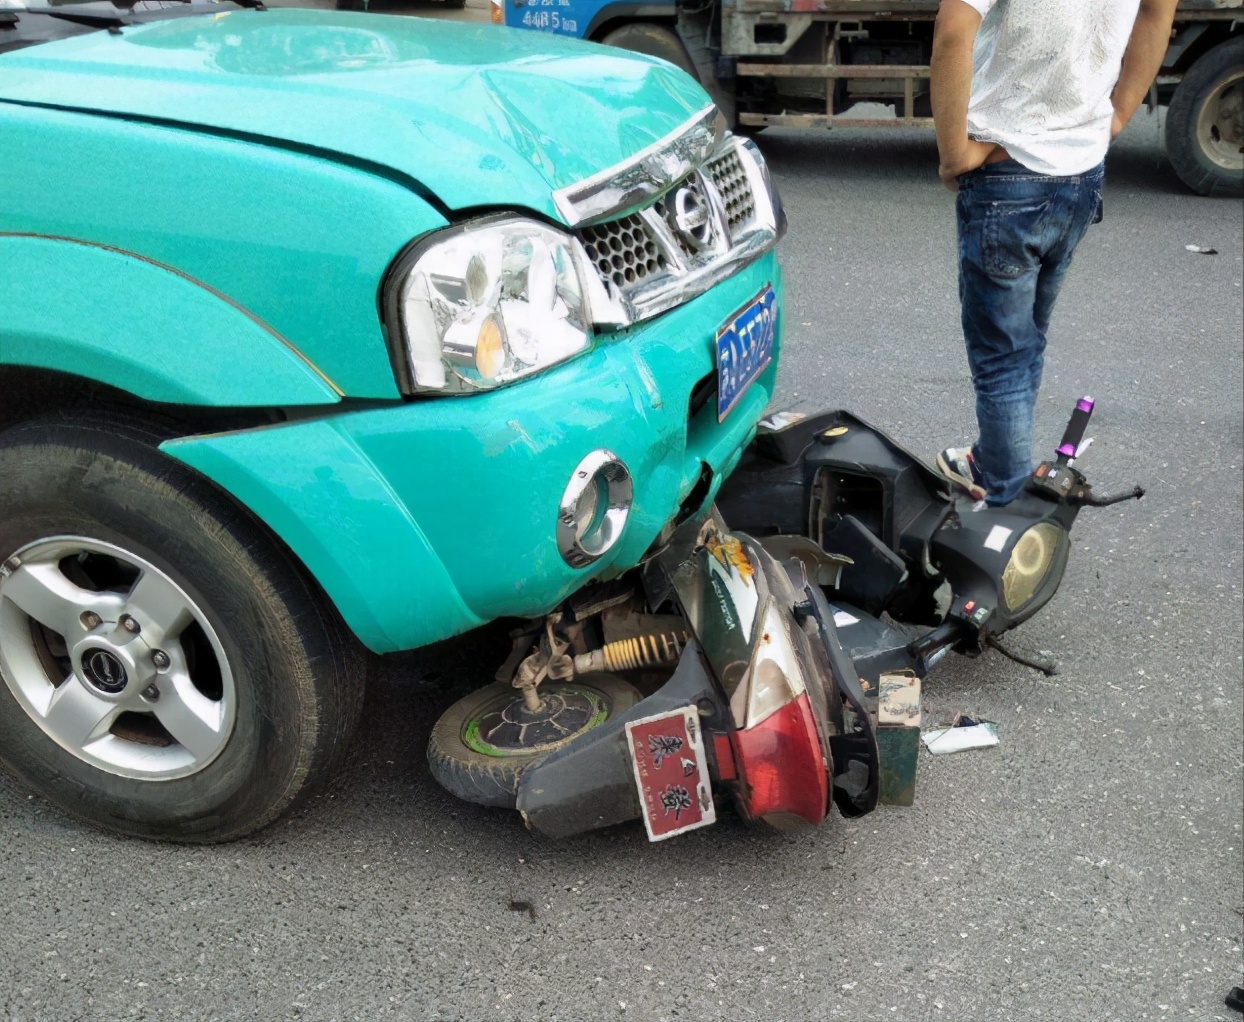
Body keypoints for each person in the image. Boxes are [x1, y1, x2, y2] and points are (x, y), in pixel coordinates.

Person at [929, 0, 1179, 505]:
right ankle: (994, 459)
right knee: (1025, 340)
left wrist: (954, 153)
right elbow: (1157, 10)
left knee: (1004, 356)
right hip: (1082, 172)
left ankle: (1005, 502)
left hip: (1010, 171)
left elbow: (954, 31)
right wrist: (1121, 110)